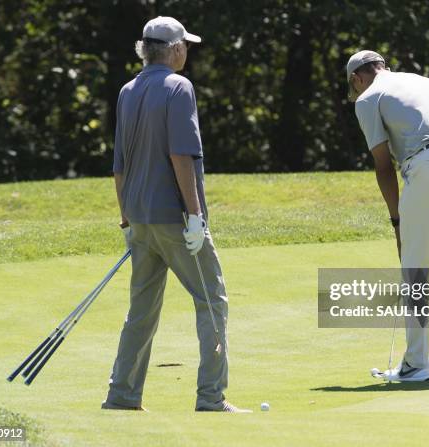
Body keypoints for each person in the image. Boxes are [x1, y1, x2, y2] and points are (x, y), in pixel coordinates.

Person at [102, 16, 250, 412]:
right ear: (175, 49)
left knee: (142, 309)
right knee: (212, 301)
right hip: (175, 217)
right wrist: (196, 215)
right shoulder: (178, 86)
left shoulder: (127, 89)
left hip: (139, 218)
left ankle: (122, 394)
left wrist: (126, 216)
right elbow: (181, 155)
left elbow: (119, 165)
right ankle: (211, 397)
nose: (188, 51)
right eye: (186, 45)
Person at [346, 50, 429, 381]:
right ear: (383, 67)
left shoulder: (367, 98)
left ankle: (415, 365)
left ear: (357, 79)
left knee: (416, 268)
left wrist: (397, 221)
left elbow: (383, 166)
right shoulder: (425, 81)